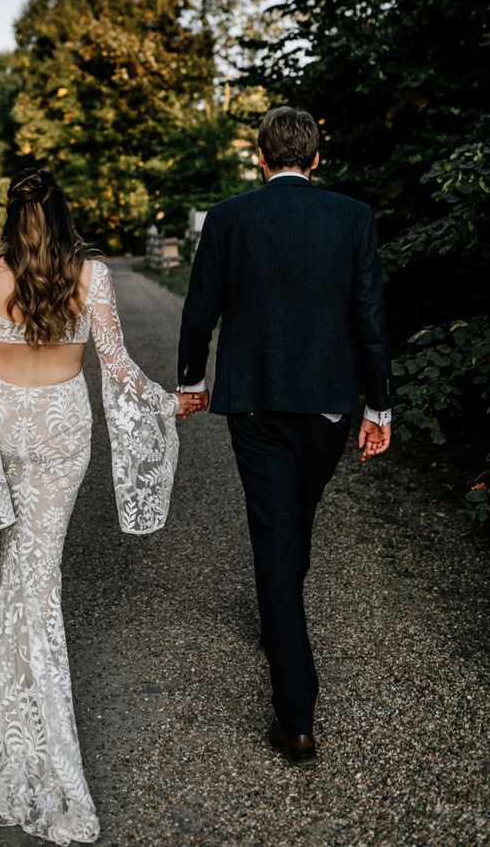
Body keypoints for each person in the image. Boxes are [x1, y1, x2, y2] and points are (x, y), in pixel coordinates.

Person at [0, 168, 200, 844]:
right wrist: (167, 401)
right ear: (63, 213)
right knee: (36, 571)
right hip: (62, 428)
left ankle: (9, 714)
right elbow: (117, 363)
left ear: (15, 219)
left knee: (24, 568)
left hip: (7, 421)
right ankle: (30, 727)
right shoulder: (92, 275)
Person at [177, 106, 392, 767]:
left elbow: (202, 302)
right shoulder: (352, 217)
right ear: (317, 159)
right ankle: (286, 655)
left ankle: (296, 717)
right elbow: (368, 313)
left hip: (257, 403)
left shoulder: (231, 217)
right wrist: (380, 408)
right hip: (329, 405)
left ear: (260, 158)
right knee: (294, 519)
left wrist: (190, 377)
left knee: (278, 531)